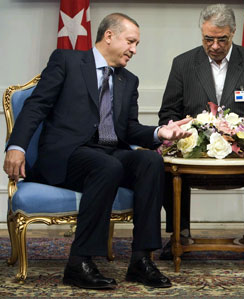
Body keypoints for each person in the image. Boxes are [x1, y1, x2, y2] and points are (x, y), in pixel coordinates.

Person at [3, 13, 192, 290]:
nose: (134, 50)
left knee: (151, 160)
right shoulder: (66, 61)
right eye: (131, 42)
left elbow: (128, 129)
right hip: (67, 155)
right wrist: (17, 146)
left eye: (137, 44)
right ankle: (79, 262)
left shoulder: (129, 80)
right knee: (107, 165)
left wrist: (158, 133)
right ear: (109, 36)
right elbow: (36, 106)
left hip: (107, 153)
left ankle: (141, 260)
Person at [158, 4, 244, 262]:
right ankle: (179, 235)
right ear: (201, 34)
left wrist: (242, 133)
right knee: (164, 167)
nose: (214, 46)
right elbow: (168, 111)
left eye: (221, 39)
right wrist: (186, 132)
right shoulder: (183, 64)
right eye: (208, 39)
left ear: (233, 33)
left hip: (240, 150)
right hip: (194, 150)